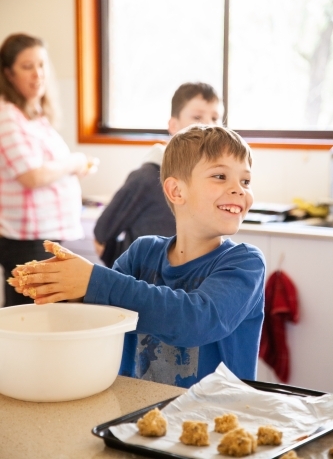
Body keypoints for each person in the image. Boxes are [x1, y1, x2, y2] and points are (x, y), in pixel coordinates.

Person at [9, 124, 265, 389]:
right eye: (221, 176)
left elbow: (196, 320)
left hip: (219, 420)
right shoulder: (142, 253)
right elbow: (105, 317)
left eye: (245, 181)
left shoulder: (245, 263)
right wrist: (72, 291)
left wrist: (92, 281)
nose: (239, 190)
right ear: (176, 191)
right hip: (140, 415)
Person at [0, 33, 99, 307]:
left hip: (44, 235)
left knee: (46, 318)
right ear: (8, 73)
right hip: (27, 240)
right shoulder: (7, 115)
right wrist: (75, 161)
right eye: (27, 66)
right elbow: (32, 176)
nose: (37, 74)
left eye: (41, 65)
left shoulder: (33, 115)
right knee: (32, 322)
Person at [94, 82, 221, 267]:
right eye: (197, 117)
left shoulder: (211, 181)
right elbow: (102, 233)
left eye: (216, 118)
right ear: (173, 125)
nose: (209, 125)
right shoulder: (146, 178)